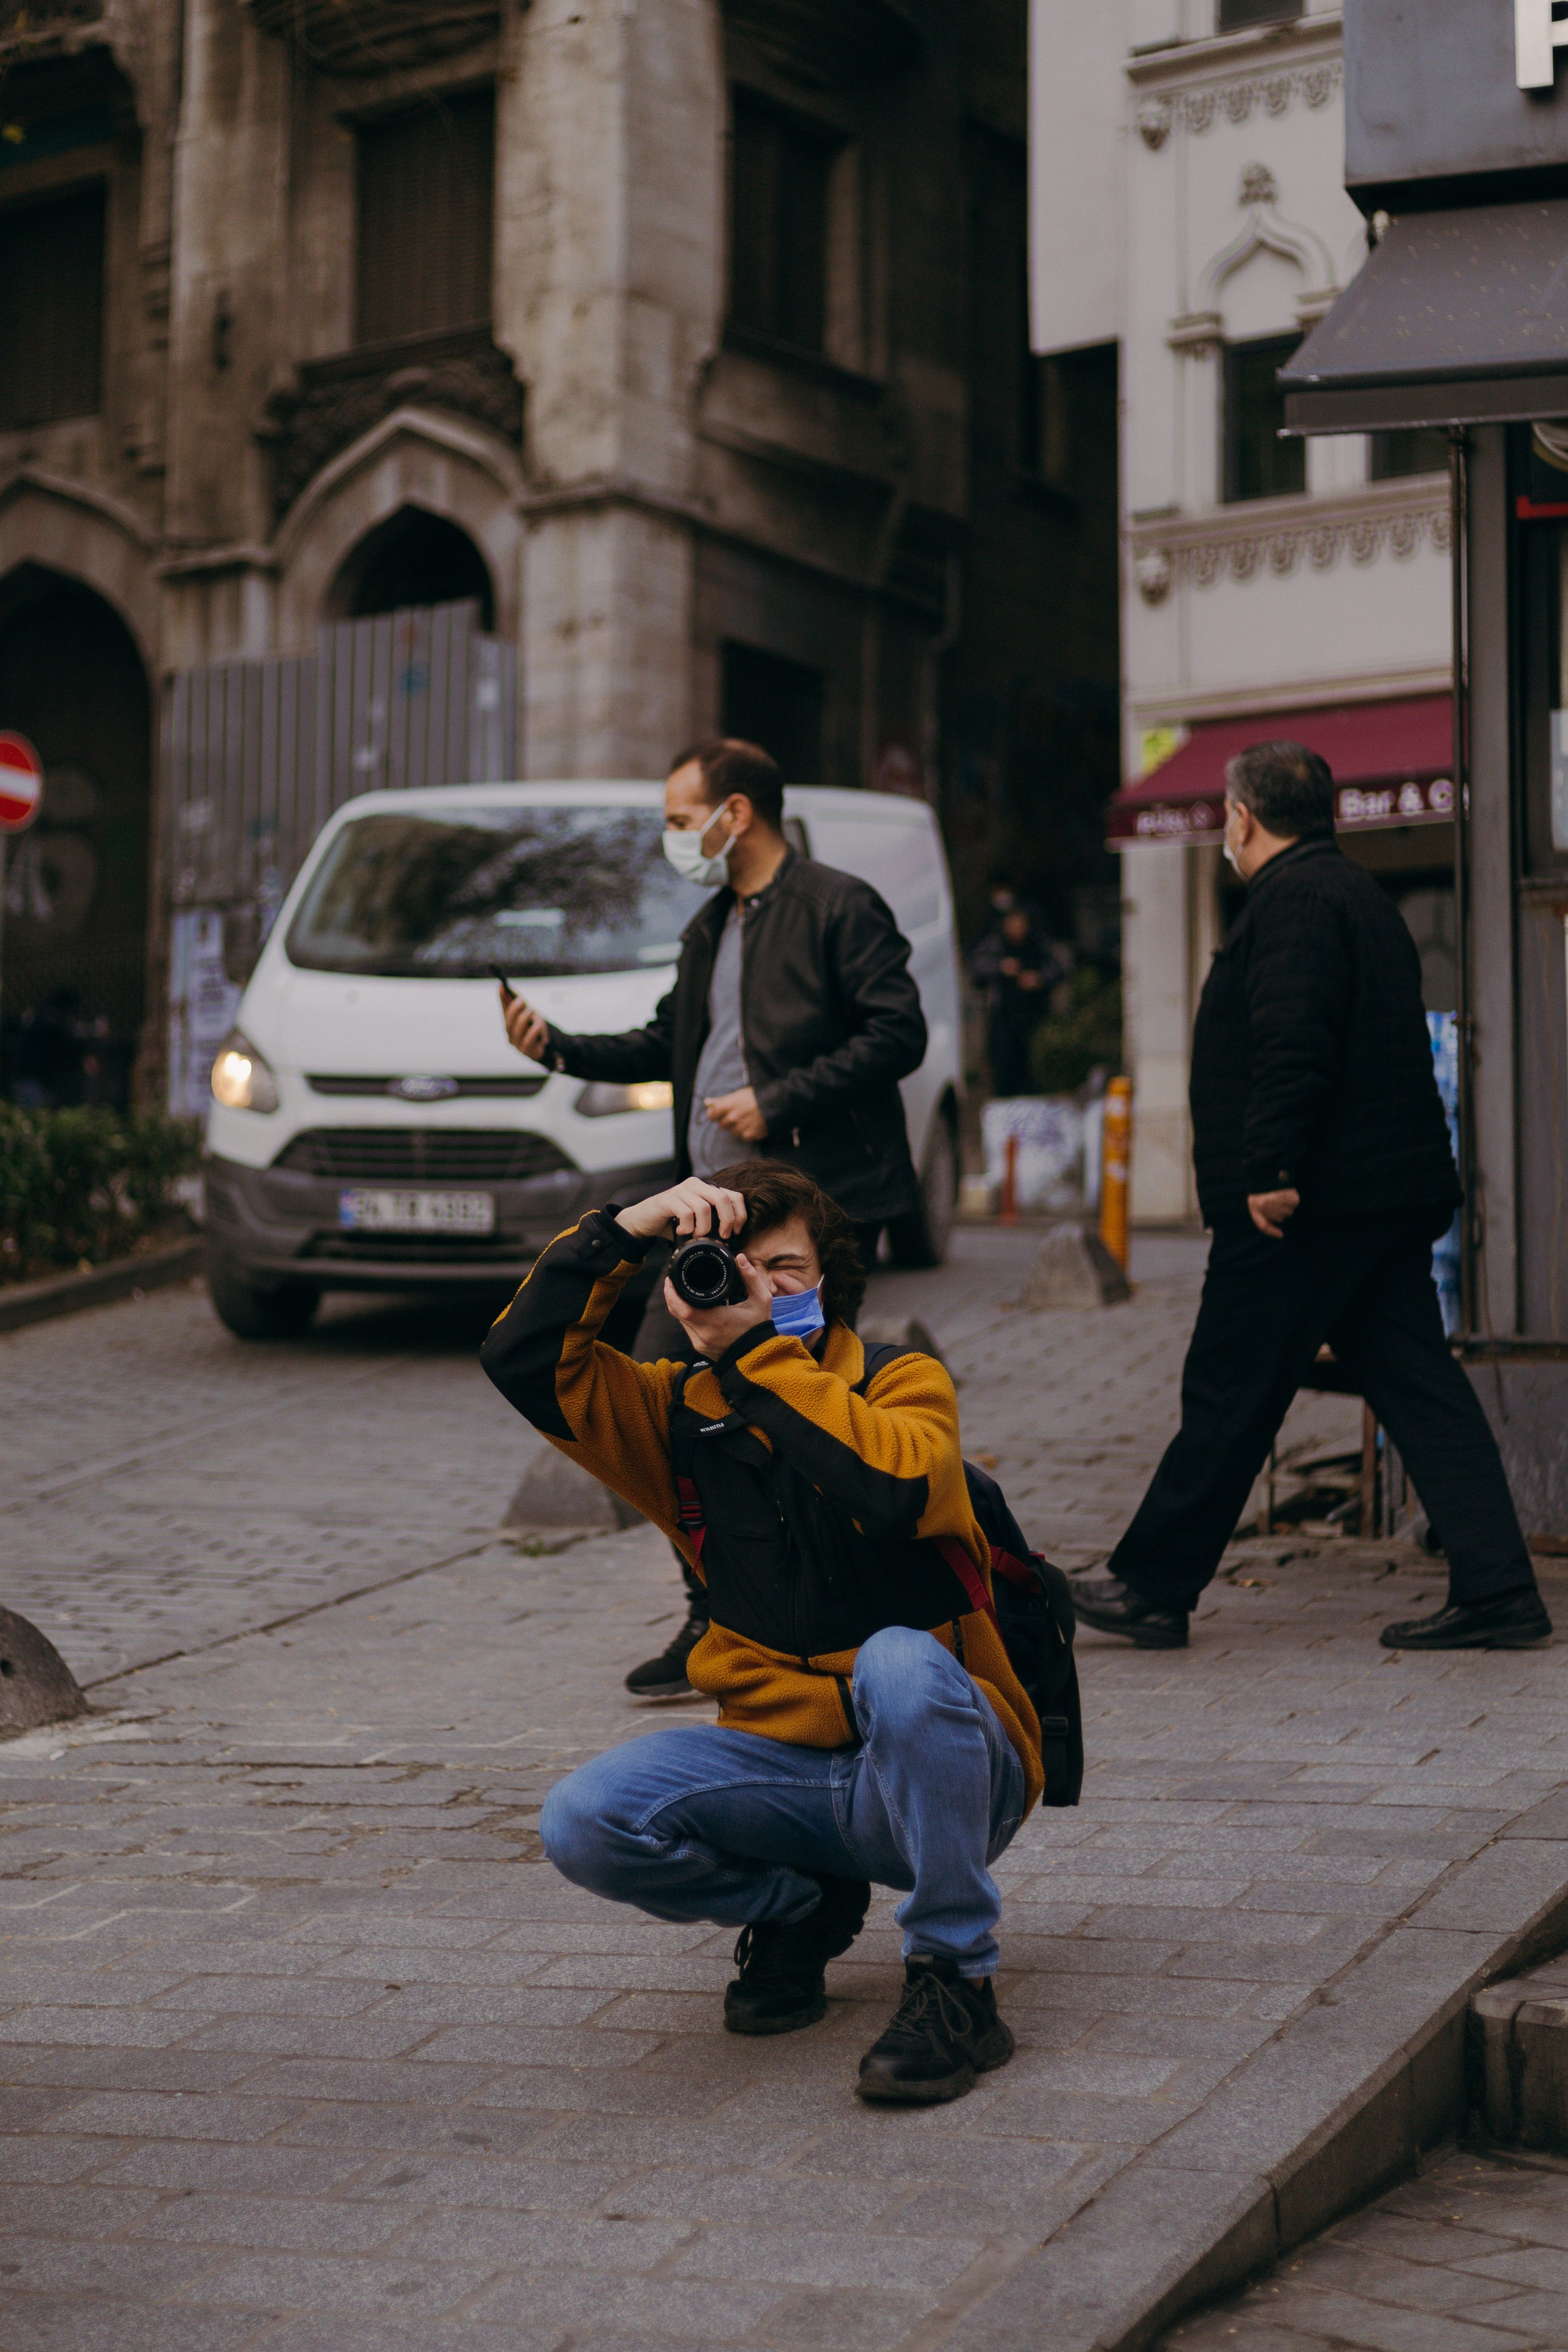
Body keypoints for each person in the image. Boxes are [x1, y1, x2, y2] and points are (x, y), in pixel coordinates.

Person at [479, 1161, 1042, 2105]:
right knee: (583, 1819)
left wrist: (752, 1356)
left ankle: (956, 1977)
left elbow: (898, 1491)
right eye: (726, 1264)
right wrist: (626, 1229)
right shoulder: (670, 1417)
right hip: (790, 1781)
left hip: (949, 1781)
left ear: (829, 1282)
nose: (754, 1286)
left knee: (899, 1660)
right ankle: (800, 1909)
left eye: (782, 1266)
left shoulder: (904, 1381)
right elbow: (522, 1360)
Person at [1072, 739, 1550, 1655]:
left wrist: (1270, 1172)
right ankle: (1499, 1589)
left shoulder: (1293, 902)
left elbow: (1293, 1044)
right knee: (1421, 1391)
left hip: (1307, 1208)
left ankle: (1152, 1585)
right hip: (1379, 1198)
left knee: (1230, 1387)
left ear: (1243, 817)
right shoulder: (1361, 897)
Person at [499, 736, 928, 1700]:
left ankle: (811, 1607)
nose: (671, 838)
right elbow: (667, 1040)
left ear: (737, 815)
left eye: (681, 820)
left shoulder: (838, 905)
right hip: (704, 1218)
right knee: (675, 1405)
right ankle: (717, 1612)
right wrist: (557, 1049)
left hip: (801, 1221)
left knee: (790, 1404)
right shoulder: (712, 927)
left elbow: (899, 1030)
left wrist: (780, 1100)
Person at [970, 898, 1066, 1097]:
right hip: (1004, 1018)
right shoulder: (996, 944)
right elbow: (976, 965)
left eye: (1021, 924)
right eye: (1012, 924)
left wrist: (1039, 979)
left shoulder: (1038, 944)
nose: (1017, 929)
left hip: (1035, 1017)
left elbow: (1061, 966)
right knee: (1005, 1070)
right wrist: (1000, 967)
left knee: (1033, 1074)